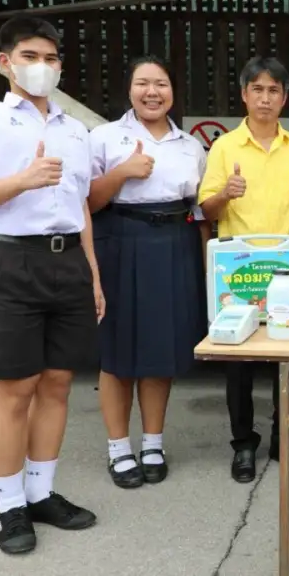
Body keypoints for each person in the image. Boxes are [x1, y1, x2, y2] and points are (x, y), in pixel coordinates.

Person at [0, 16, 104, 554]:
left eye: (51, 58)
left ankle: (40, 493)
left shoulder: (75, 130)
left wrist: (93, 276)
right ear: (5, 61)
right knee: (15, 389)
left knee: (57, 383)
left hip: (68, 262)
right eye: (30, 56)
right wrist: (21, 181)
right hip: (10, 261)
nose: (42, 67)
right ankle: (9, 505)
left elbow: (81, 207)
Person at [198, 56, 289, 484]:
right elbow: (207, 209)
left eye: (273, 91)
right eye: (258, 90)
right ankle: (243, 445)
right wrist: (225, 194)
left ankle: (286, 439)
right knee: (239, 363)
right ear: (244, 95)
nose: (265, 98)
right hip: (239, 270)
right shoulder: (224, 148)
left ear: (284, 98)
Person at [87, 56, 209, 489]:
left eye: (161, 83)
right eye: (143, 83)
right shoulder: (104, 137)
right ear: (129, 89)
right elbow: (87, 203)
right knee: (118, 350)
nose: (152, 92)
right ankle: (118, 447)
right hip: (119, 239)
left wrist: (205, 268)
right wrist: (122, 172)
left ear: (173, 91)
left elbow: (200, 211)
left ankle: (153, 442)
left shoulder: (191, 146)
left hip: (174, 241)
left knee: (161, 347)